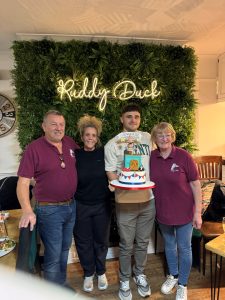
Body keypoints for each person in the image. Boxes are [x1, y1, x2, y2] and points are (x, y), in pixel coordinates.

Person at [16, 110, 79, 286]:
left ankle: (61, 286)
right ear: (43, 126)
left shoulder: (70, 143)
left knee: (64, 250)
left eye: (61, 124)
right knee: (52, 255)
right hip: (49, 210)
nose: (58, 128)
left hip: (71, 207)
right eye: (53, 124)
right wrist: (27, 210)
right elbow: (22, 183)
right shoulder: (33, 148)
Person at [105, 103, 155, 300]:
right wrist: (117, 183)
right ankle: (124, 279)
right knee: (126, 244)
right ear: (121, 119)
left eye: (136, 117)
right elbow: (110, 170)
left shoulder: (149, 139)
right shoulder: (112, 144)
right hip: (125, 201)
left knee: (142, 242)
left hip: (148, 199)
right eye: (128, 117)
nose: (133, 120)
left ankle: (139, 274)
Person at [150, 122, 202, 300]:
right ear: (155, 139)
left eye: (167, 135)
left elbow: (196, 185)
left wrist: (198, 213)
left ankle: (183, 284)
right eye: (160, 135)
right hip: (163, 211)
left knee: (184, 248)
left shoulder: (184, 156)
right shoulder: (150, 157)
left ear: (172, 137)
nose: (164, 139)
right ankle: (173, 276)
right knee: (170, 246)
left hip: (184, 211)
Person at [73, 115, 112, 293]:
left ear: (97, 138)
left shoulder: (104, 153)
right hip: (81, 205)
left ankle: (101, 271)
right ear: (82, 137)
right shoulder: (75, 155)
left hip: (102, 205)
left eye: (94, 135)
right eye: (87, 135)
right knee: (83, 242)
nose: (90, 138)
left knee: (101, 240)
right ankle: (89, 273)